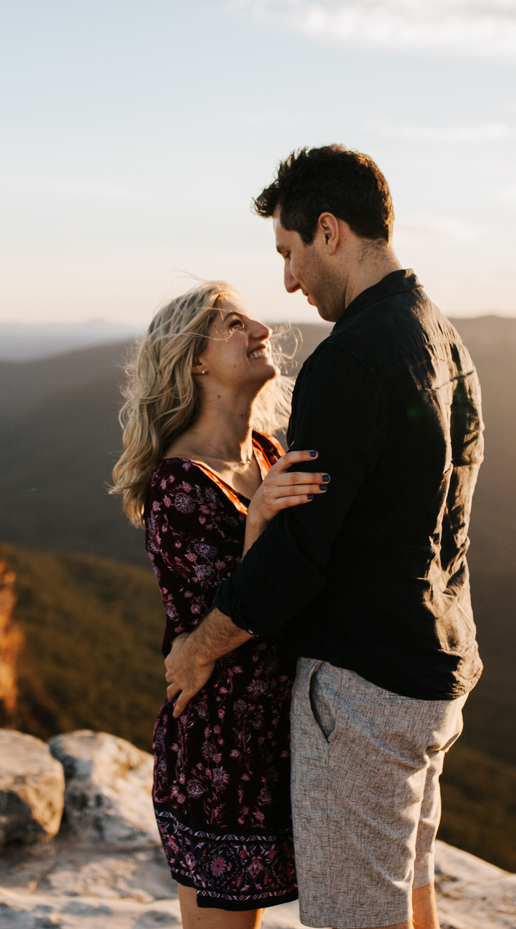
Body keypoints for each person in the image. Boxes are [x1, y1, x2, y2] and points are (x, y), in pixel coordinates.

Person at [163, 146, 485, 929]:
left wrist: (198, 649)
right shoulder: (442, 338)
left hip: (364, 691)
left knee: (355, 917)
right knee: (409, 901)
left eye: (289, 251)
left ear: (330, 232)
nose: (288, 282)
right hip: (435, 669)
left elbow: (301, 556)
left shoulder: (350, 361)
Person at [111, 280, 330, 928]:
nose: (261, 328)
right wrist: (260, 517)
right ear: (195, 362)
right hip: (220, 753)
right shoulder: (178, 484)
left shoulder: (266, 452)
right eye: (233, 324)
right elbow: (238, 609)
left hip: (283, 737)